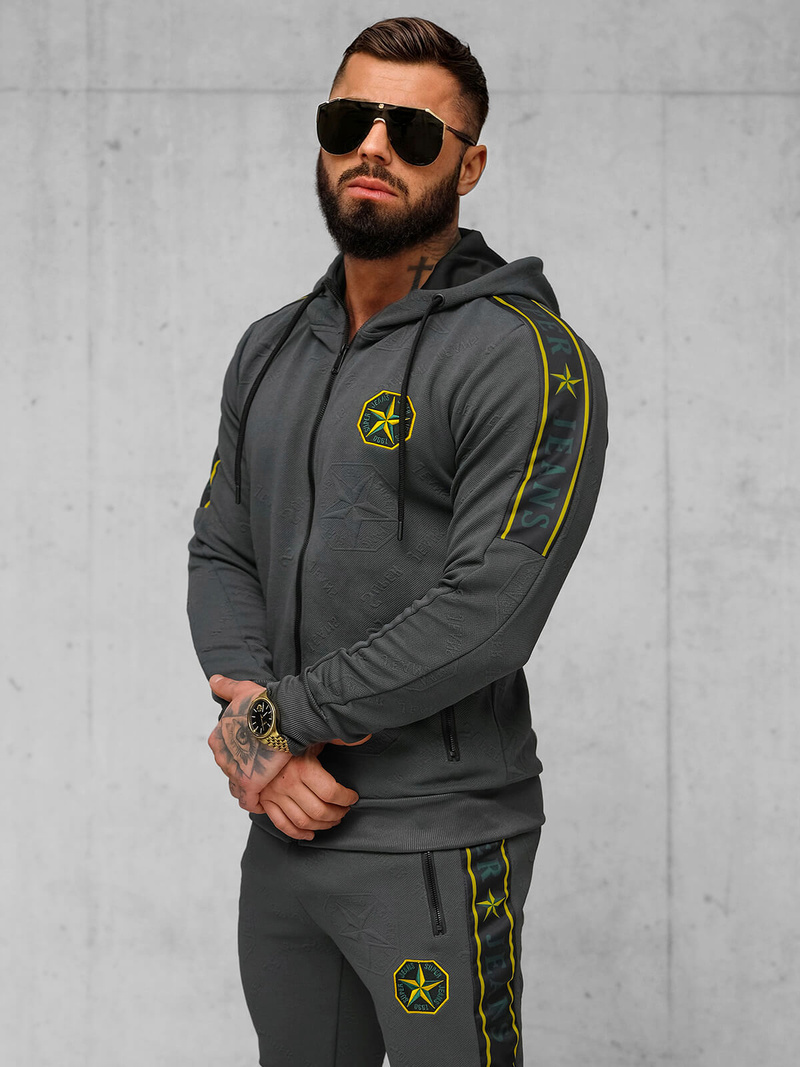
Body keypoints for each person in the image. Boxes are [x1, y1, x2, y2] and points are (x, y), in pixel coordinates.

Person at [188, 16, 607, 1067]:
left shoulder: (525, 358)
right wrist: (260, 742)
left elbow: (490, 613)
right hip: (287, 821)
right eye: (349, 121)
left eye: (413, 132)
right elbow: (221, 550)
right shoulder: (269, 347)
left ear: (468, 164)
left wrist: (274, 723)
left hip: (437, 834)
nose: (372, 147)